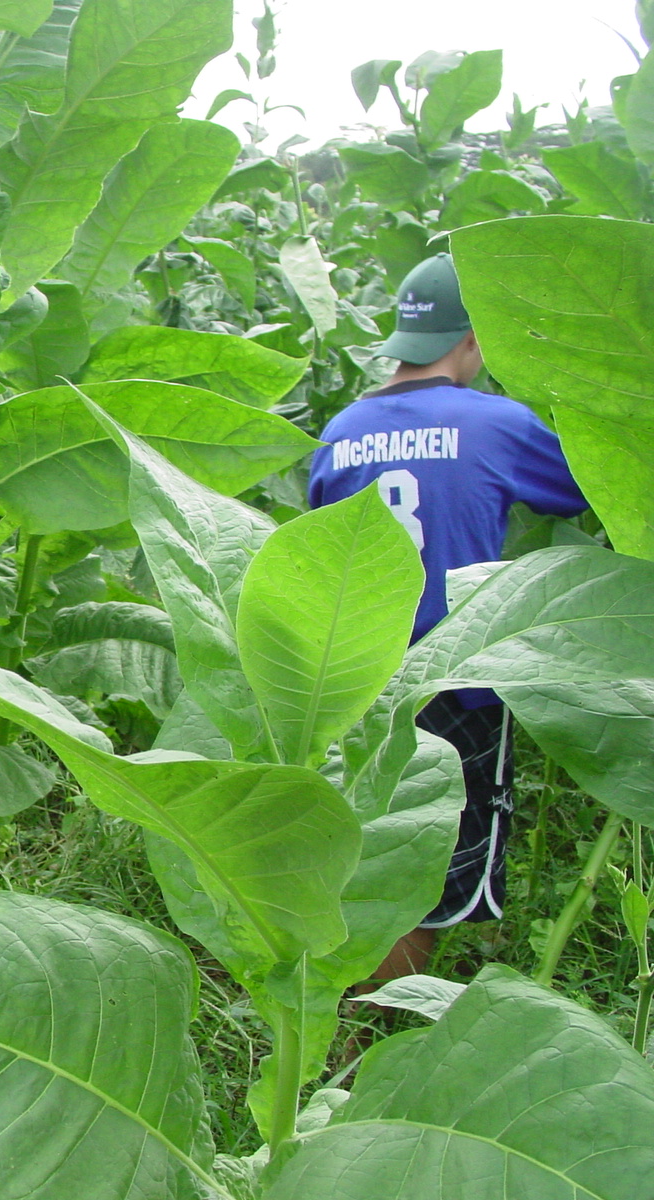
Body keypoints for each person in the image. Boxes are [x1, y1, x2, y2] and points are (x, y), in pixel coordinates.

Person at [308, 252, 587, 980]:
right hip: (458, 678)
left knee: (372, 844)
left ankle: (350, 1001)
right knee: (431, 868)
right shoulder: (496, 423)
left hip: (357, 676)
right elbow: (591, 488)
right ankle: (386, 1024)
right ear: (471, 338)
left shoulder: (341, 431)